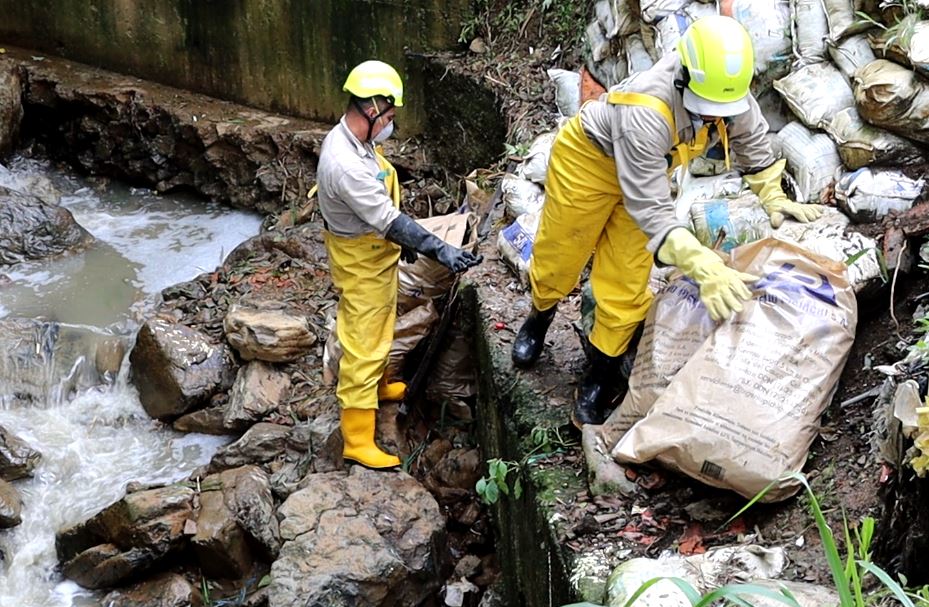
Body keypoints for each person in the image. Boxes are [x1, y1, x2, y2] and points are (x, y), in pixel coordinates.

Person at [511, 16, 823, 428]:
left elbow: (750, 136)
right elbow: (653, 212)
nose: (716, 118)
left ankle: (599, 377)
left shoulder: (723, 88)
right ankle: (540, 315)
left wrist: (772, 193)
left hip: (651, 174)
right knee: (560, 255)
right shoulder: (646, 109)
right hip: (590, 160)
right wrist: (701, 265)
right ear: (684, 78)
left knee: (625, 280)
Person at [317, 60, 483, 469]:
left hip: (374, 251)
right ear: (371, 110)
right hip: (361, 261)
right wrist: (439, 250)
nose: (392, 123)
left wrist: (400, 244)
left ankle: (381, 384)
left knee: (382, 322)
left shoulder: (358, 143)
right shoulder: (346, 165)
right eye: (389, 116)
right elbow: (389, 219)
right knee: (364, 343)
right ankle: (357, 437)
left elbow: (384, 217)